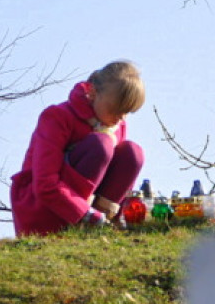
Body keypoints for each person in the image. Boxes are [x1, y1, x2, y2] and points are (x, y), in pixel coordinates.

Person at [11, 61, 146, 236]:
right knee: (101, 145)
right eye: (115, 109)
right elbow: (44, 184)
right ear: (93, 92)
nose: (120, 118)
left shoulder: (116, 122)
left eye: (127, 112)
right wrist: (84, 213)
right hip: (44, 208)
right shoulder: (57, 117)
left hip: (91, 209)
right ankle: (85, 222)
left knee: (132, 153)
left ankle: (105, 221)